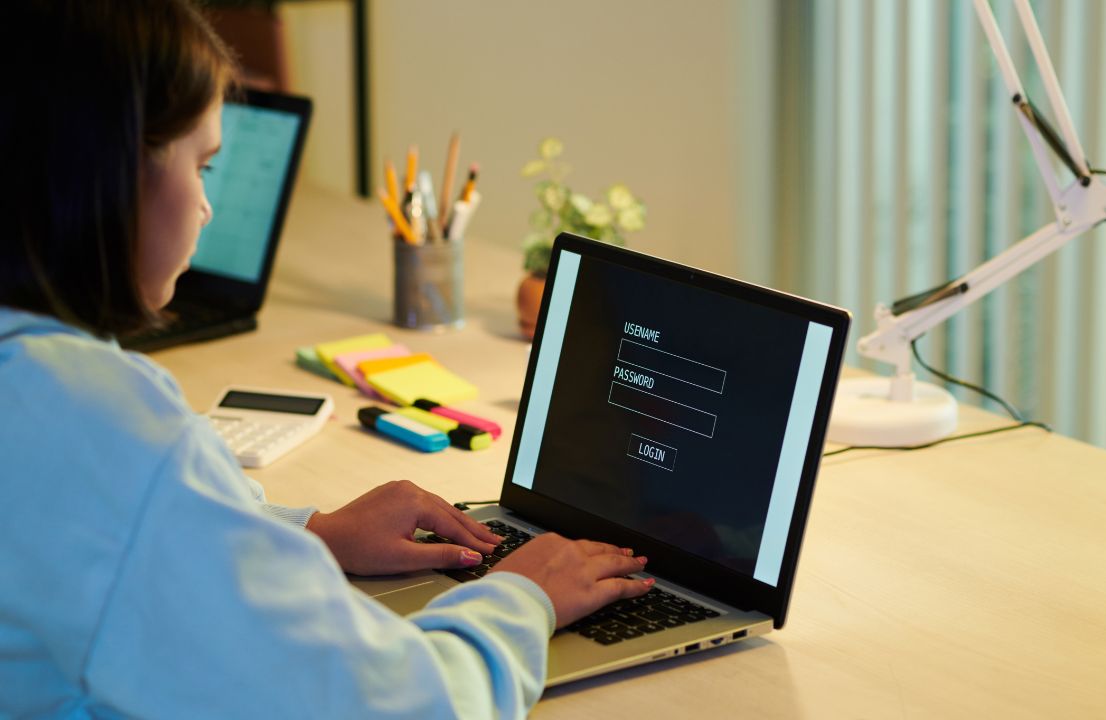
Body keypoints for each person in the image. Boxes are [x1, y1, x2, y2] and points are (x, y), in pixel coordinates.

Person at [0, 1, 652, 717]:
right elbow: (388, 706)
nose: (208, 208)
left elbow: (132, 539)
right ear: (113, 173)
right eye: (204, 165)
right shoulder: (111, 431)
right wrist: (522, 599)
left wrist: (306, 532)